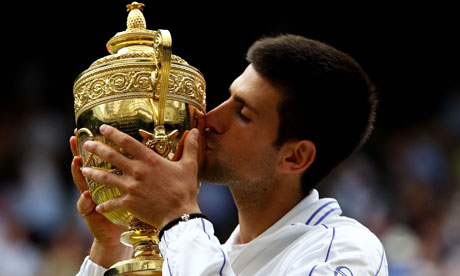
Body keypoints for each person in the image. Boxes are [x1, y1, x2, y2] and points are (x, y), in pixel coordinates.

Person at [72, 34, 388, 275]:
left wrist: (179, 216)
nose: (209, 119)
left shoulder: (345, 251)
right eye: (227, 98)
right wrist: (111, 246)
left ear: (294, 158)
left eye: (244, 114)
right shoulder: (192, 253)